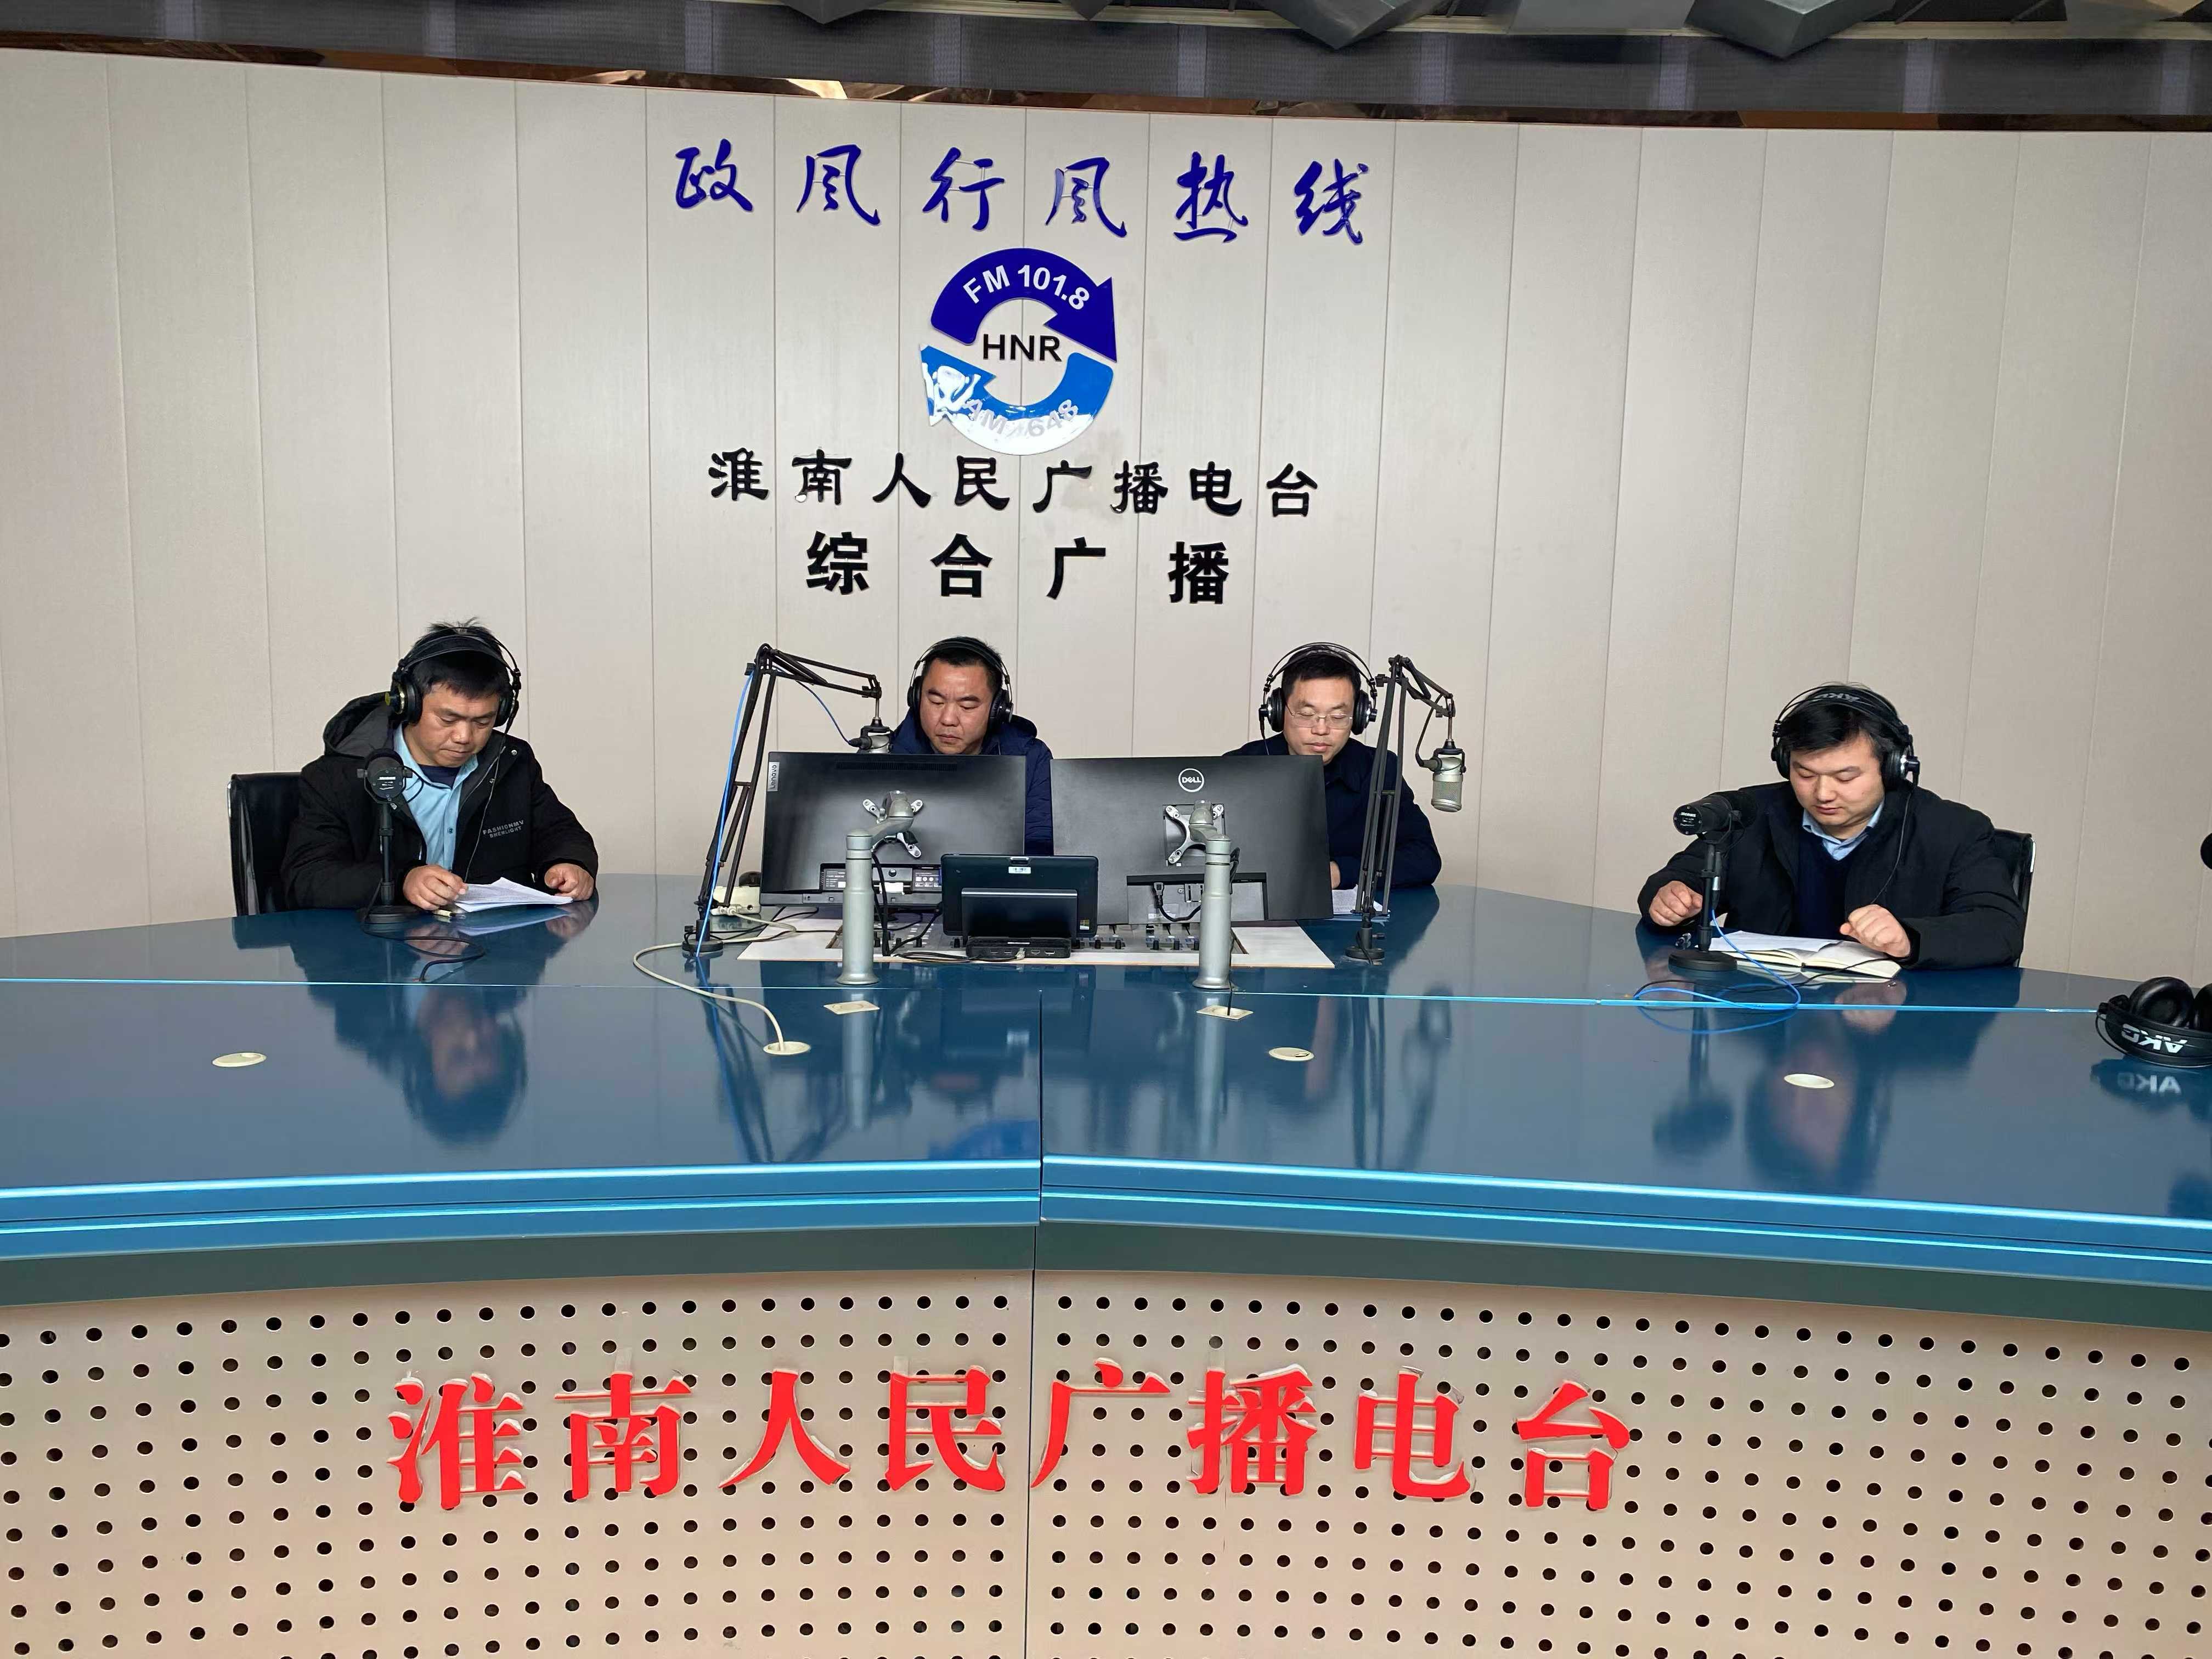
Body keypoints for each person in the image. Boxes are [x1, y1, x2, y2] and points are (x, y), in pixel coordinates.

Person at [1638, 684, 2024, 970]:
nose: (1823, 793)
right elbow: (1678, 881)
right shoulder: (1750, 814)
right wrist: (1670, 898)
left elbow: (2000, 929)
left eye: (1846, 777)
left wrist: (1910, 939)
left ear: (1893, 768)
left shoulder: (1953, 829)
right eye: (1805, 774)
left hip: (1888, 1021)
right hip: (1763, 1011)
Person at [281, 621, 598, 911]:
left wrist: (569, 863)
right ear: (409, 703)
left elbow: (559, 832)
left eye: (482, 722)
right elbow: (307, 878)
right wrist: (403, 880)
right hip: (378, 948)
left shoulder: (511, 762)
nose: (464, 737)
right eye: (448, 719)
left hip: (491, 947)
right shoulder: (337, 776)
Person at [1229, 643, 1441, 891]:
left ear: (1360, 716)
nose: (1321, 729)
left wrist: (1342, 872)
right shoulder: (1238, 768)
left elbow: (1425, 857)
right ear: (1277, 711)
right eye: (1306, 714)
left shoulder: (1379, 770)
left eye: (1338, 717)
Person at [887, 636, 1053, 856]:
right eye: (936, 702)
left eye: (967, 707)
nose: (948, 719)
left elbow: (1042, 855)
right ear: (917, 698)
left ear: (997, 709)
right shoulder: (884, 754)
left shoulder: (1030, 759)